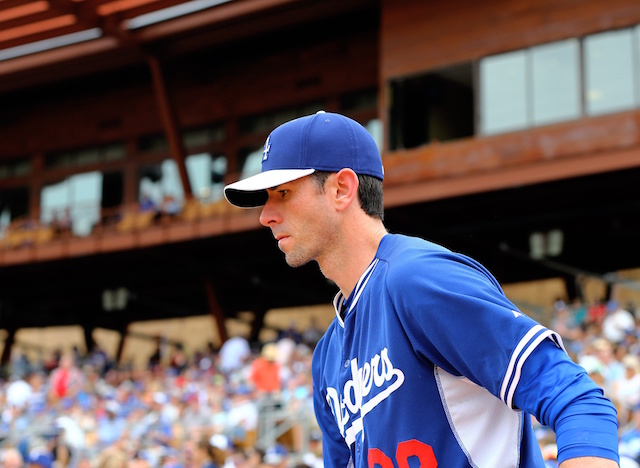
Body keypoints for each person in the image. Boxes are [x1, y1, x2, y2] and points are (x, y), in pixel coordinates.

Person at [223, 111, 620, 467]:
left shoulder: (417, 281)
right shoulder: (327, 355)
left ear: (342, 189)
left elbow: (578, 401)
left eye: (284, 193)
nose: (266, 215)